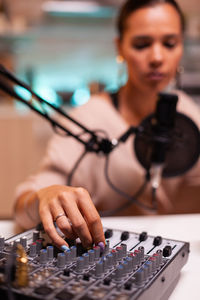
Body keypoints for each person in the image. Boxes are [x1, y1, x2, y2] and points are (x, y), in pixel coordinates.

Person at [14, 0, 200, 251]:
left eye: (169, 43)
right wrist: (46, 197)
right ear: (120, 47)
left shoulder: (189, 114)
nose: (157, 57)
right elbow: (24, 203)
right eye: (142, 44)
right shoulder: (88, 119)